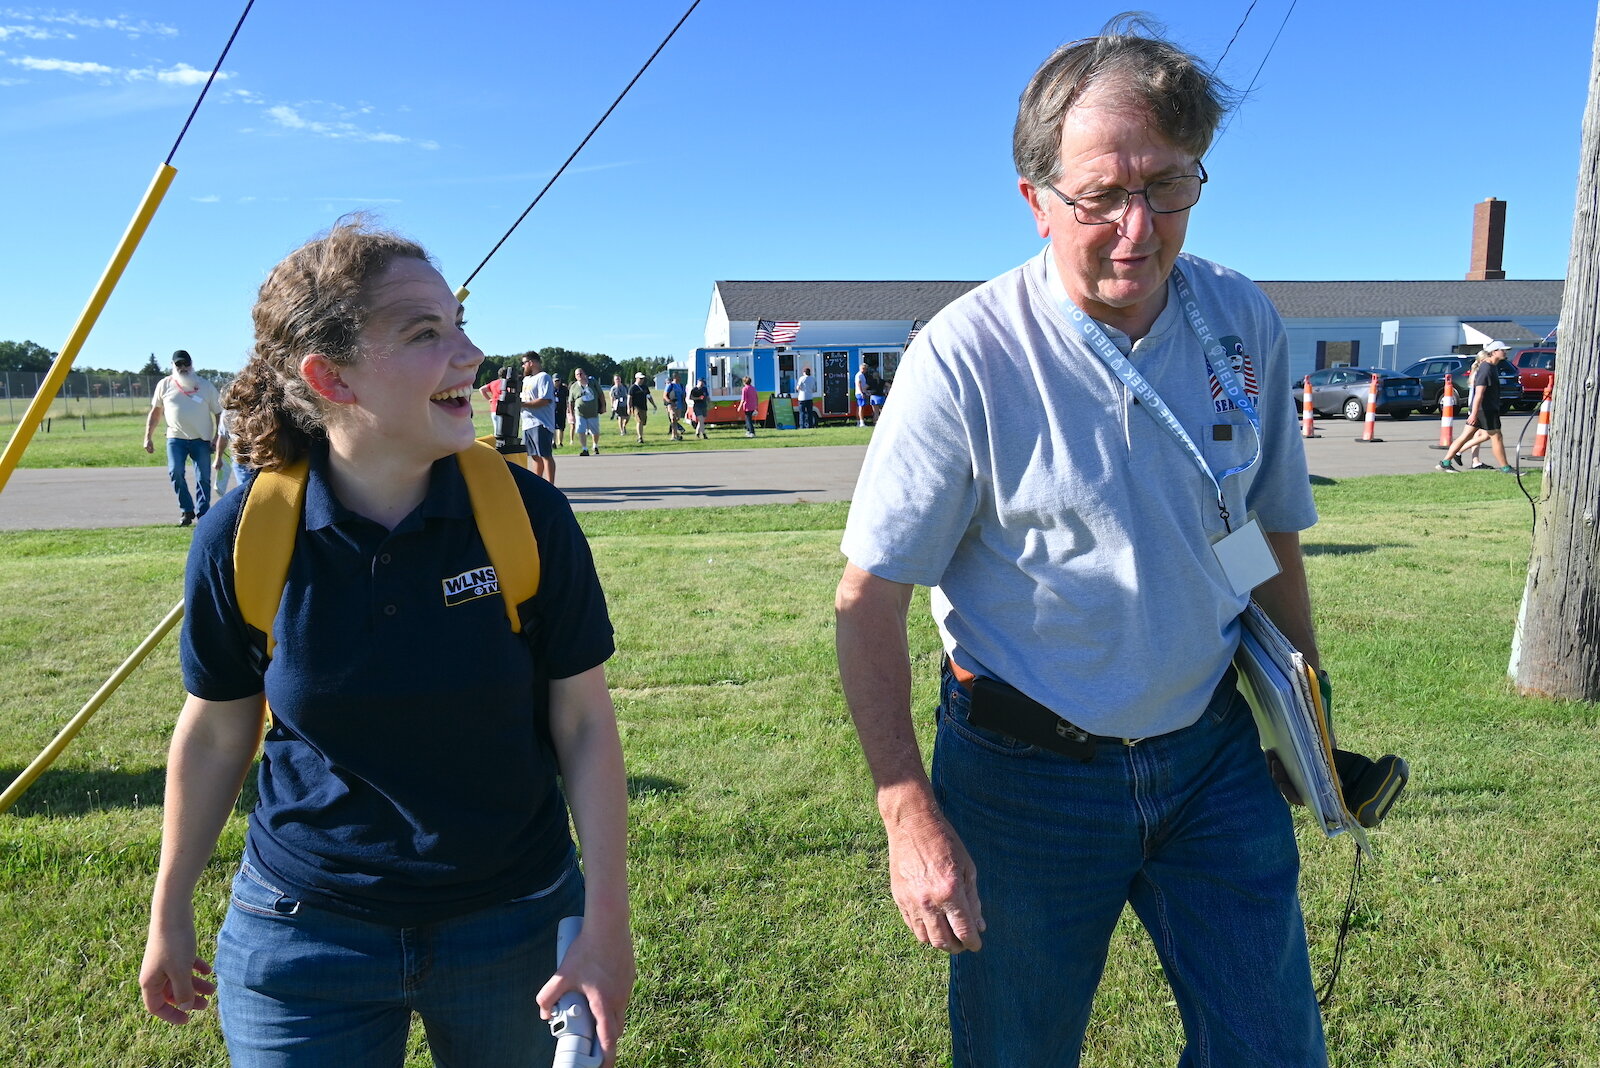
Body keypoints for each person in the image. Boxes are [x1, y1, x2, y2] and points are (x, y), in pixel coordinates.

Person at [835, 20, 1333, 1066]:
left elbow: (1258, 530)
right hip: (1025, 778)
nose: (1137, 228)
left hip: (1208, 757)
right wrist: (906, 812)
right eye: (1101, 195)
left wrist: (1303, 713)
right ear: (1035, 199)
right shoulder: (964, 357)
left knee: (1271, 1048)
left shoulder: (1239, 318)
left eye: (1167, 186)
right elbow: (867, 600)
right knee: (1018, 1050)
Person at [137, 218, 633, 1067]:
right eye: (426, 333)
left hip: (514, 928)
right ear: (329, 376)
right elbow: (218, 728)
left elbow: (584, 723)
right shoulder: (243, 535)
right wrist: (169, 906)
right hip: (300, 939)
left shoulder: (527, 516)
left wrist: (607, 925)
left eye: (461, 324)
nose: (470, 354)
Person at [143, 349, 222, 526]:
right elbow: (155, 413)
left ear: (192, 364)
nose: (183, 367)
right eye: (179, 364)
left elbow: (219, 413)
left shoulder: (205, 386)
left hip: (201, 439)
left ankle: (203, 514)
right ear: (173, 365)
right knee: (175, 472)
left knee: (203, 478)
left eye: (186, 363)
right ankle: (186, 510)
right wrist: (148, 436)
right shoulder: (164, 385)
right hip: (175, 438)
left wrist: (217, 437)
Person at [1439, 341, 1513, 472]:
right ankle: (1505, 467)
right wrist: (1473, 413)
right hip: (1485, 410)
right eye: (1503, 350)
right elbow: (1479, 393)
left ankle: (1445, 462)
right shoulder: (1486, 368)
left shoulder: (1492, 367)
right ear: (1494, 352)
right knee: (1497, 437)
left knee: (1466, 436)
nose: (1505, 352)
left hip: (1483, 409)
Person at [478, 364, 527, 464]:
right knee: (505, 435)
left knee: (498, 433)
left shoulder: (494, 383)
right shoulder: (504, 383)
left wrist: (490, 399)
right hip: (507, 409)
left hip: (494, 409)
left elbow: (481, 389)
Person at [521, 352, 557, 484]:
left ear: (531, 362)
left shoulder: (544, 377)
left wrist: (522, 404)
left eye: (524, 363)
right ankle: (538, 484)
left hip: (540, 423)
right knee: (535, 457)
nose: (523, 366)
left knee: (545, 455)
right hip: (527, 423)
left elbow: (545, 400)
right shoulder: (526, 380)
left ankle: (550, 485)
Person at [570, 366, 603, 456]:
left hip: (593, 412)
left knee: (595, 431)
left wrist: (603, 406)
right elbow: (570, 401)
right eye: (577, 374)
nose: (579, 375)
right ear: (575, 376)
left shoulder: (593, 383)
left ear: (585, 374)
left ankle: (595, 446)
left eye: (581, 373)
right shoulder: (574, 387)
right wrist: (571, 414)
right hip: (580, 413)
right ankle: (584, 448)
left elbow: (601, 395)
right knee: (580, 430)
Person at [627, 373, 656, 444]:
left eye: (643, 378)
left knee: (643, 422)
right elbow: (629, 399)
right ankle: (640, 437)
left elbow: (649, 396)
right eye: (640, 378)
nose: (642, 380)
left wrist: (654, 405)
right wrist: (629, 408)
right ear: (636, 378)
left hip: (644, 407)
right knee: (639, 421)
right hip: (636, 407)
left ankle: (640, 434)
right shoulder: (632, 388)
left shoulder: (645, 387)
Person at [663, 373, 687, 441]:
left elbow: (683, 395)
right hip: (671, 405)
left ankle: (676, 434)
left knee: (676, 419)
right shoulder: (670, 385)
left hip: (679, 405)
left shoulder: (681, 386)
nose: (680, 378)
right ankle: (673, 436)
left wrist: (684, 404)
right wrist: (670, 402)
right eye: (679, 377)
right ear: (675, 377)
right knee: (673, 418)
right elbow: (665, 395)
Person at [552, 374, 570, 449]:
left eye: (558, 380)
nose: (557, 382)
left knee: (561, 427)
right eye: (556, 381)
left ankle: (560, 442)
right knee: (552, 427)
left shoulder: (564, 389)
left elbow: (568, 397)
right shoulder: (550, 388)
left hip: (562, 409)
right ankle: (553, 442)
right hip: (552, 410)